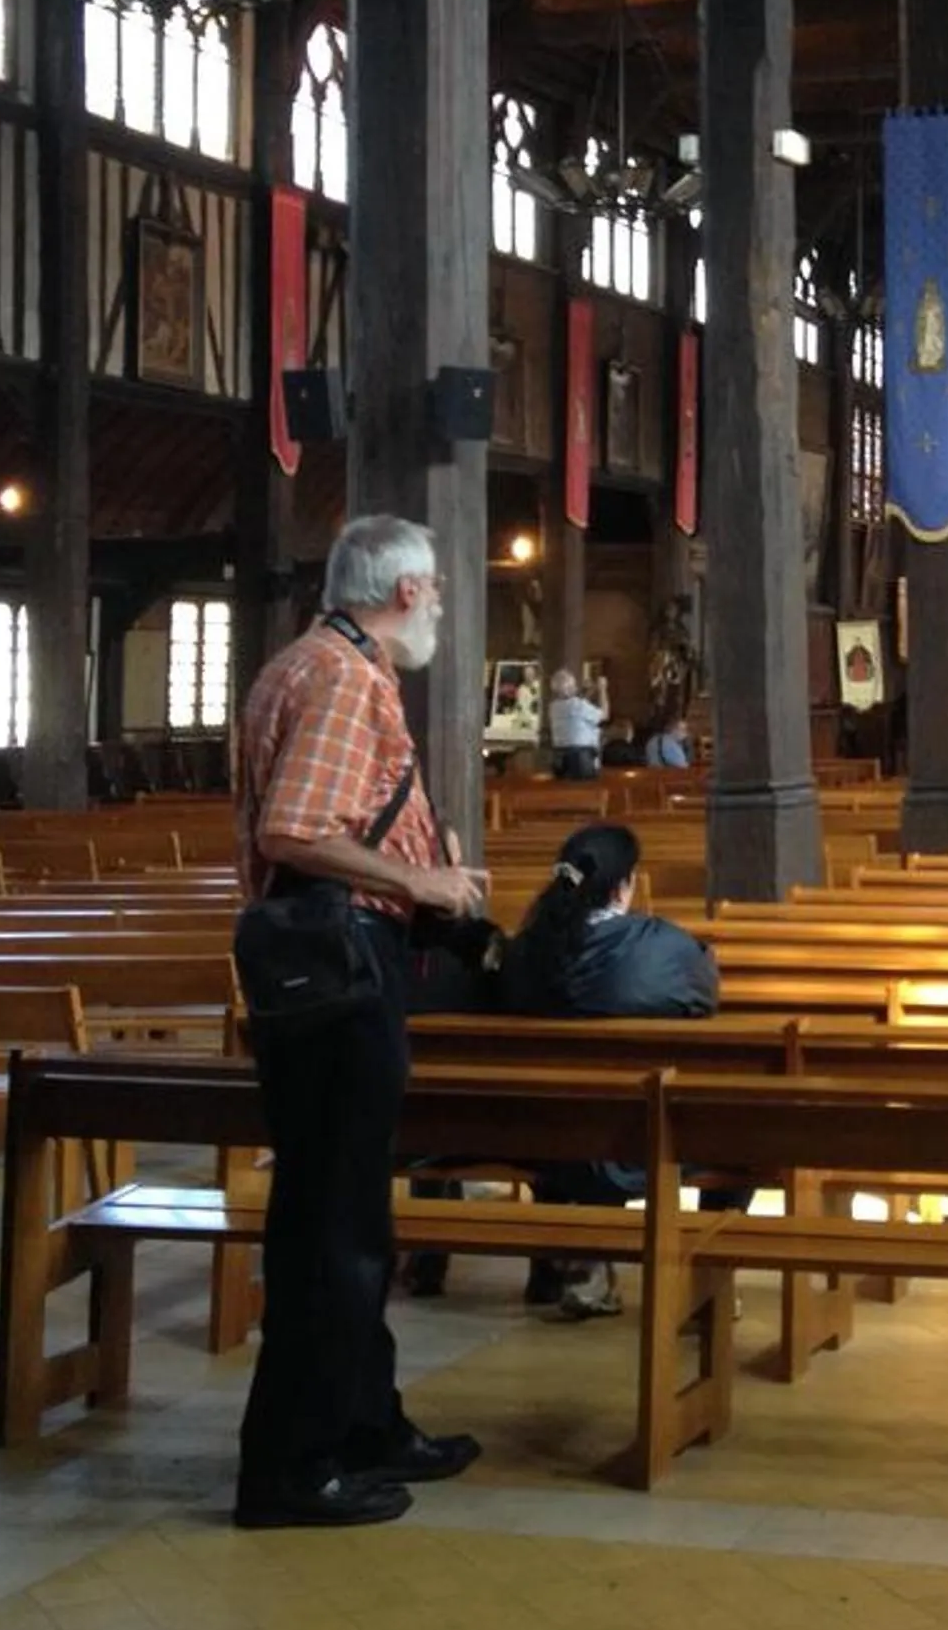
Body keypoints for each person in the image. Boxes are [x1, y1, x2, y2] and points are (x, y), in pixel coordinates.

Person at [231, 514, 488, 1531]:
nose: (440, 613)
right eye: (439, 594)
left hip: (327, 961)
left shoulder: (304, 662)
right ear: (410, 591)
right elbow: (293, 828)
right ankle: (293, 1466)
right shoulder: (344, 677)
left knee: (348, 1220)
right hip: (340, 970)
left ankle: (364, 1422)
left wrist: (429, 880)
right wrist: (417, 877)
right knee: (333, 1226)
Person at [496, 825, 740, 1318]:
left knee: (578, 1109)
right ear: (623, 885)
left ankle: (577, 1265)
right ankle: (707, 1286)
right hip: (643, 1141)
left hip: (544, 1140)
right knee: (741, 1146)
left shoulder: (525, 953)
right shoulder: (665, 950)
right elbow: (704, 1000)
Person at [545, 666, 606, 780]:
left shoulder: (553, 707)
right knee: (583, 794)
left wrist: (588, 692)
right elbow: (604, 715)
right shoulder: (578, 705)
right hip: (581, 761)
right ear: (568, 688)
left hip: (560, 759)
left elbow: (576, 710)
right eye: (574, 685)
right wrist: (603, 689)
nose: (576, 688)